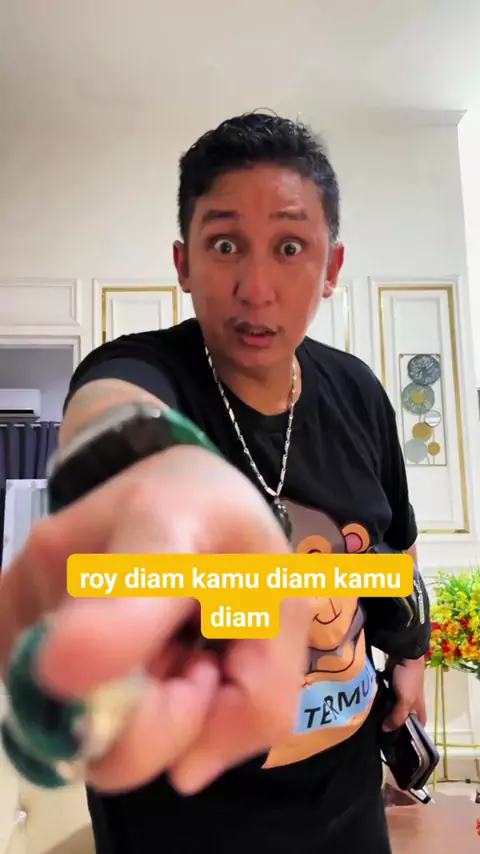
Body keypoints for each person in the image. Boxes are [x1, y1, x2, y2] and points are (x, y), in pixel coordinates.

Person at [0, 112, 429, 853]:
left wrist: (412, 659)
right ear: (184, 262)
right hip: (182, 816)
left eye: (289, 247)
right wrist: (160, 485)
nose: (255, 289)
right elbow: (112, 411)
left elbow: (399, 544)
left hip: (347, 799)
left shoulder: (357, 390)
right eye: (225, 245)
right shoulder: (142, 368)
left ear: (331, 267)